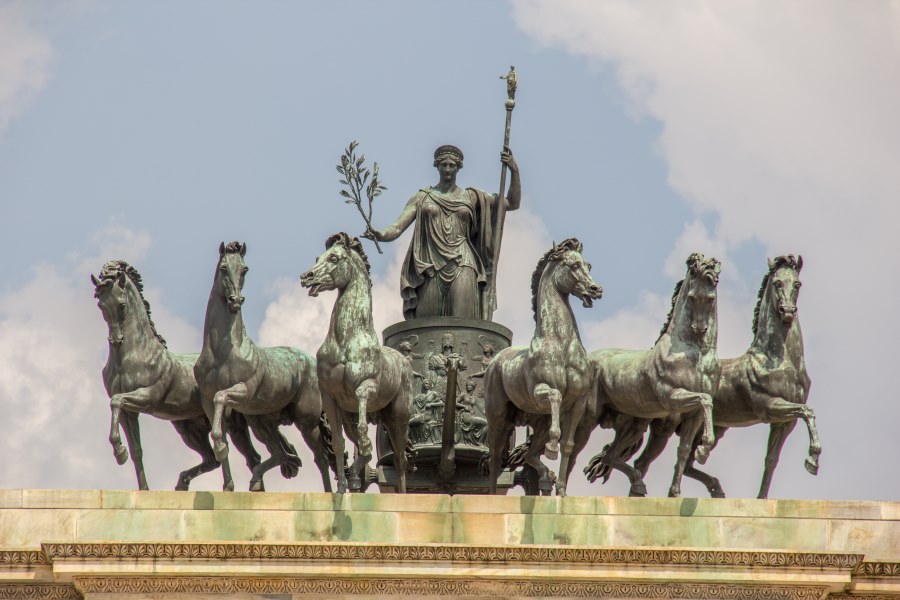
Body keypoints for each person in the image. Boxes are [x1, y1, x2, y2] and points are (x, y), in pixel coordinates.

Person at [363, 144, 521, 319]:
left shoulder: (472, 197)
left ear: (458, 167)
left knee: (462, 323)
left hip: (463, 262)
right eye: (443, 165)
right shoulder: (423, 197)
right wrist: (380, 234)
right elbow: (398, 227)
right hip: (431, 265)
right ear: (437, 166)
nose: (447, 169)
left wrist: (514, 170)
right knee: (427, 323)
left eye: (452, 165)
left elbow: (512, 203)